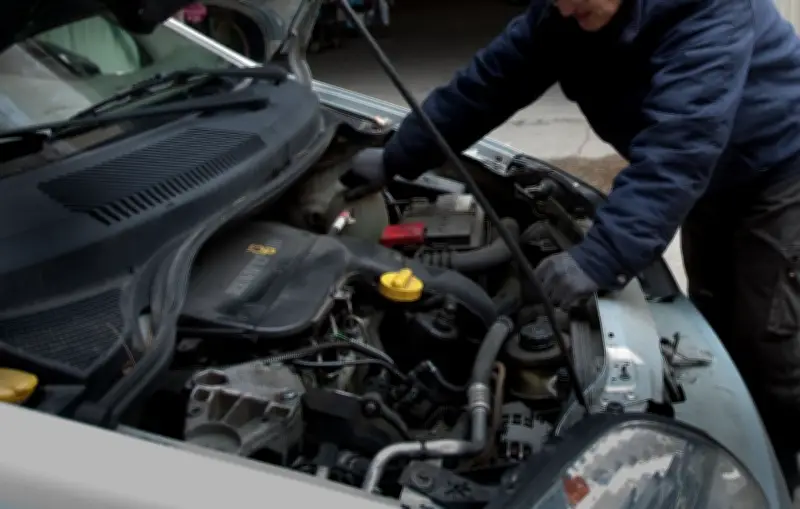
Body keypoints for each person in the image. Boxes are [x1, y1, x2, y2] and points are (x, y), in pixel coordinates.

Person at [338, 0, 800, 489]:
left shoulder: (708, 9)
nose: (563, 4)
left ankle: (778, 482)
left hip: (780, 175)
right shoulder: (564, 15)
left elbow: (680, 149)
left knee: (778, 356)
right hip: (715, 185)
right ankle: (754, 462)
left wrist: (601, 256)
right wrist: (397, 155)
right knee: (723, 331)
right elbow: (488, 83)